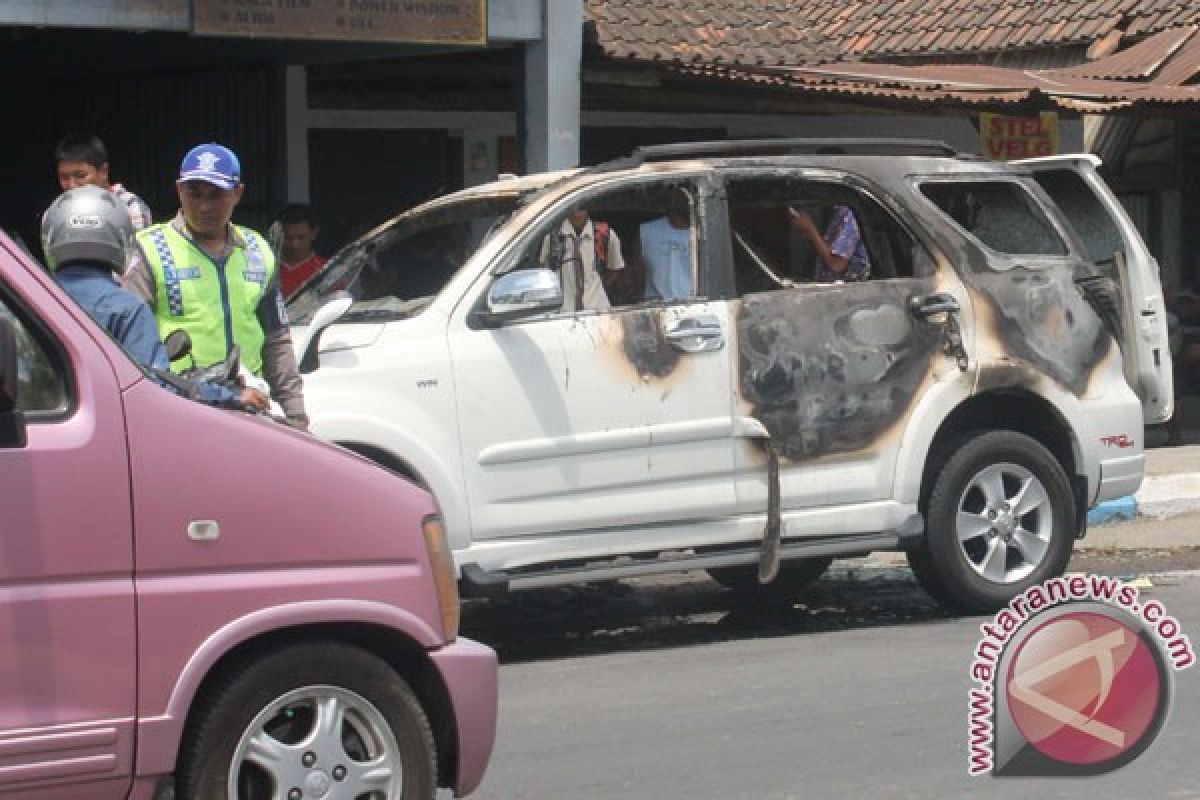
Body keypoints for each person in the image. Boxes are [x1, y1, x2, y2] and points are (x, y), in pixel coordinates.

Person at [126, 143, 309, 429]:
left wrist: (295, 413)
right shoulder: (149, 249)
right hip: (179, 410)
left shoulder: (258, 251)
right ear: (178, 190)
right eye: (194, 193)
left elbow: (277, 339)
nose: (204, 206)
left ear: (238, 194)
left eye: (216, 195)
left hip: (252, 407)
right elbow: (129, 344)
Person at [41, 185, 268, 412]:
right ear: (121, 236)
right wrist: (232, 396)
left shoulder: (29, 299)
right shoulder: (126, 308)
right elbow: (155, 386)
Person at [52, 132, 153, 232]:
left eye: (80, 176)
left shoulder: (130, 205)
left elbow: (137, 247)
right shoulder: (59, 211)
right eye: (64, 178)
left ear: (104, 171)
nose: (72, 185)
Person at [540, 206, 626, 312]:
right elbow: (544, 273)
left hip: (598, 310)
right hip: (563, 313)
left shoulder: (605, 235)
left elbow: (616, 267)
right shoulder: (552, 238)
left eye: (581, 208)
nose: (577, 214)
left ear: (588, 208)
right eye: (572, 208)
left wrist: (596, 290)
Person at [640, 191, 693, 301]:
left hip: (697, 304)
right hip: (656, 305)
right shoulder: (647, 231)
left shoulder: (705, 232)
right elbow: (638, 276)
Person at [274, 203, 327, 301]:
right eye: (288, 238)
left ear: (314, 233)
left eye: (301, 237)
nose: (295, 244)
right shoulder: (268, 269)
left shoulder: (327, 270)